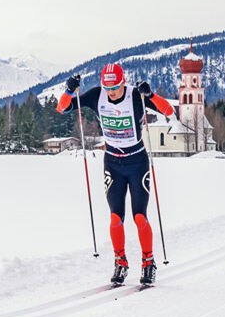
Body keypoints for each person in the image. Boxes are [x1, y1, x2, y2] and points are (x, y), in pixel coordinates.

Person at [58, 63, 174, 287]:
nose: (111, 92)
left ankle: (148, 262)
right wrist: (69, 90)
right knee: (115, 218)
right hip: (112, 162)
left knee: (139, 216)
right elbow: (63, 108)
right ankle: (120, 262)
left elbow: (168, 110)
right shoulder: (96, 96)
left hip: (137, 162)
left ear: (123, 83)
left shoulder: (134, 95)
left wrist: (150, 95)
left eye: (115, 87)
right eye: (107, 87)